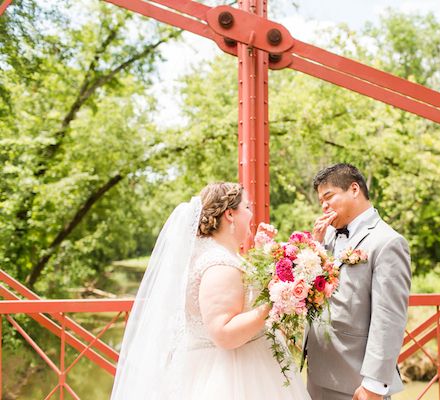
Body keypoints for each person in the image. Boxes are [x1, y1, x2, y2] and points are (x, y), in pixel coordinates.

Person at [111, 182, 310, 399]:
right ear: (230, 214)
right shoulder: (219, 265)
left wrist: (264, 251)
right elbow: (224, 334)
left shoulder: (215, 253)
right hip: (233, 375)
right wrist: (275, 303)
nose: (251, 214)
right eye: (247, 208)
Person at [305, 164, 412, 400]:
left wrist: (373, 385)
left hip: (356, 382)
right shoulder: (327, 237)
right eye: (320, 200)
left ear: (354, 189)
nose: (323, 205)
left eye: (328, 196)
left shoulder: (387, 242)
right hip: (317, 375)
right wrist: (316, 247)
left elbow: (389, 318)